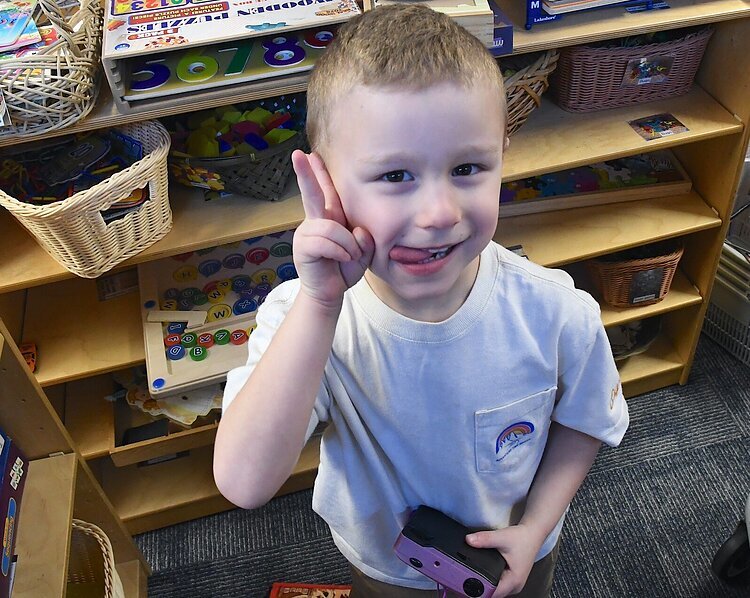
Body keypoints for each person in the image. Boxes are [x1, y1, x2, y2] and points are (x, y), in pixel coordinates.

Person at [213, 4, 629, 597]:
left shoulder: (555, 312)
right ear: (323, 182)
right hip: (386, 568)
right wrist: (321, 306)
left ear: (502, 155)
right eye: (395, 176)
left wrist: (535, 529)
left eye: (467, 168)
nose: (438, 214)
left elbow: (584, 421)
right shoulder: (304, 320)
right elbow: (244, 482)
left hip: (518, 557)